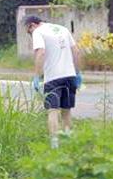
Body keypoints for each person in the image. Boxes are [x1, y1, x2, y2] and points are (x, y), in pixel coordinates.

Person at [25, 15, 83, 148]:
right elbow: (76, 51)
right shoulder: (62, 29)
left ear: (32, 25)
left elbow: (41, 52)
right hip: (70, 76)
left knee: (52, 111)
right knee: (66, 110)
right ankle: (68, 142)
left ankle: (55, 145)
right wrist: (78, 72)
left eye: (29, 32)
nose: (30, 34)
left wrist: (37, 76)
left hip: (53, 78)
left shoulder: (38, 32)